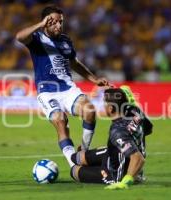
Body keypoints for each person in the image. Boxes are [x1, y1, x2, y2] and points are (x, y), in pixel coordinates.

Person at [15, 5, 110, 167]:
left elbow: (74, 63)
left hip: (68, 89)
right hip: (47, 93)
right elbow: (19, 37)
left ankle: (83, 152)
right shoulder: (36, 38)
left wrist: (93, 79)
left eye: (61, 22)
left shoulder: (65, 40)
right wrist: (40, 24)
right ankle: (74, 165)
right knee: (60, 121)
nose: (59, 25)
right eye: (54, 22)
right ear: (46, 22)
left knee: (90, 111)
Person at [70, 88, 153, 189]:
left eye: (104, 103)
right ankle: (135, 171)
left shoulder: (117, 131)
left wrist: (126, 181)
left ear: (110, 109)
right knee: (76, 157)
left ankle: (133, 175)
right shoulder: (134, 110)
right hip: (113, 154)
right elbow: (148, 129)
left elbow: (138, 158)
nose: (102, 106)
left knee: (74, 171)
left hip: (116, 172)